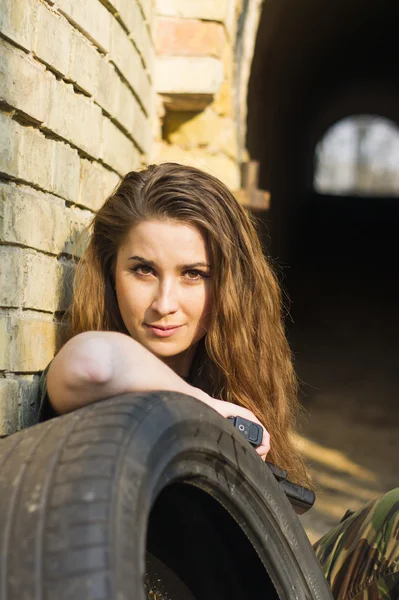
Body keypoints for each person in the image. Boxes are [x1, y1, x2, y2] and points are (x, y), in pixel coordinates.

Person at [37, 163, 399, 599]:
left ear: (228, 283)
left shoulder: (229, 378)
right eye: (143, 270)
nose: (164, 303)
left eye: (193, 274)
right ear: (111, 274)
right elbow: (91, 361)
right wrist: (199, 406)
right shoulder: (100, 382)